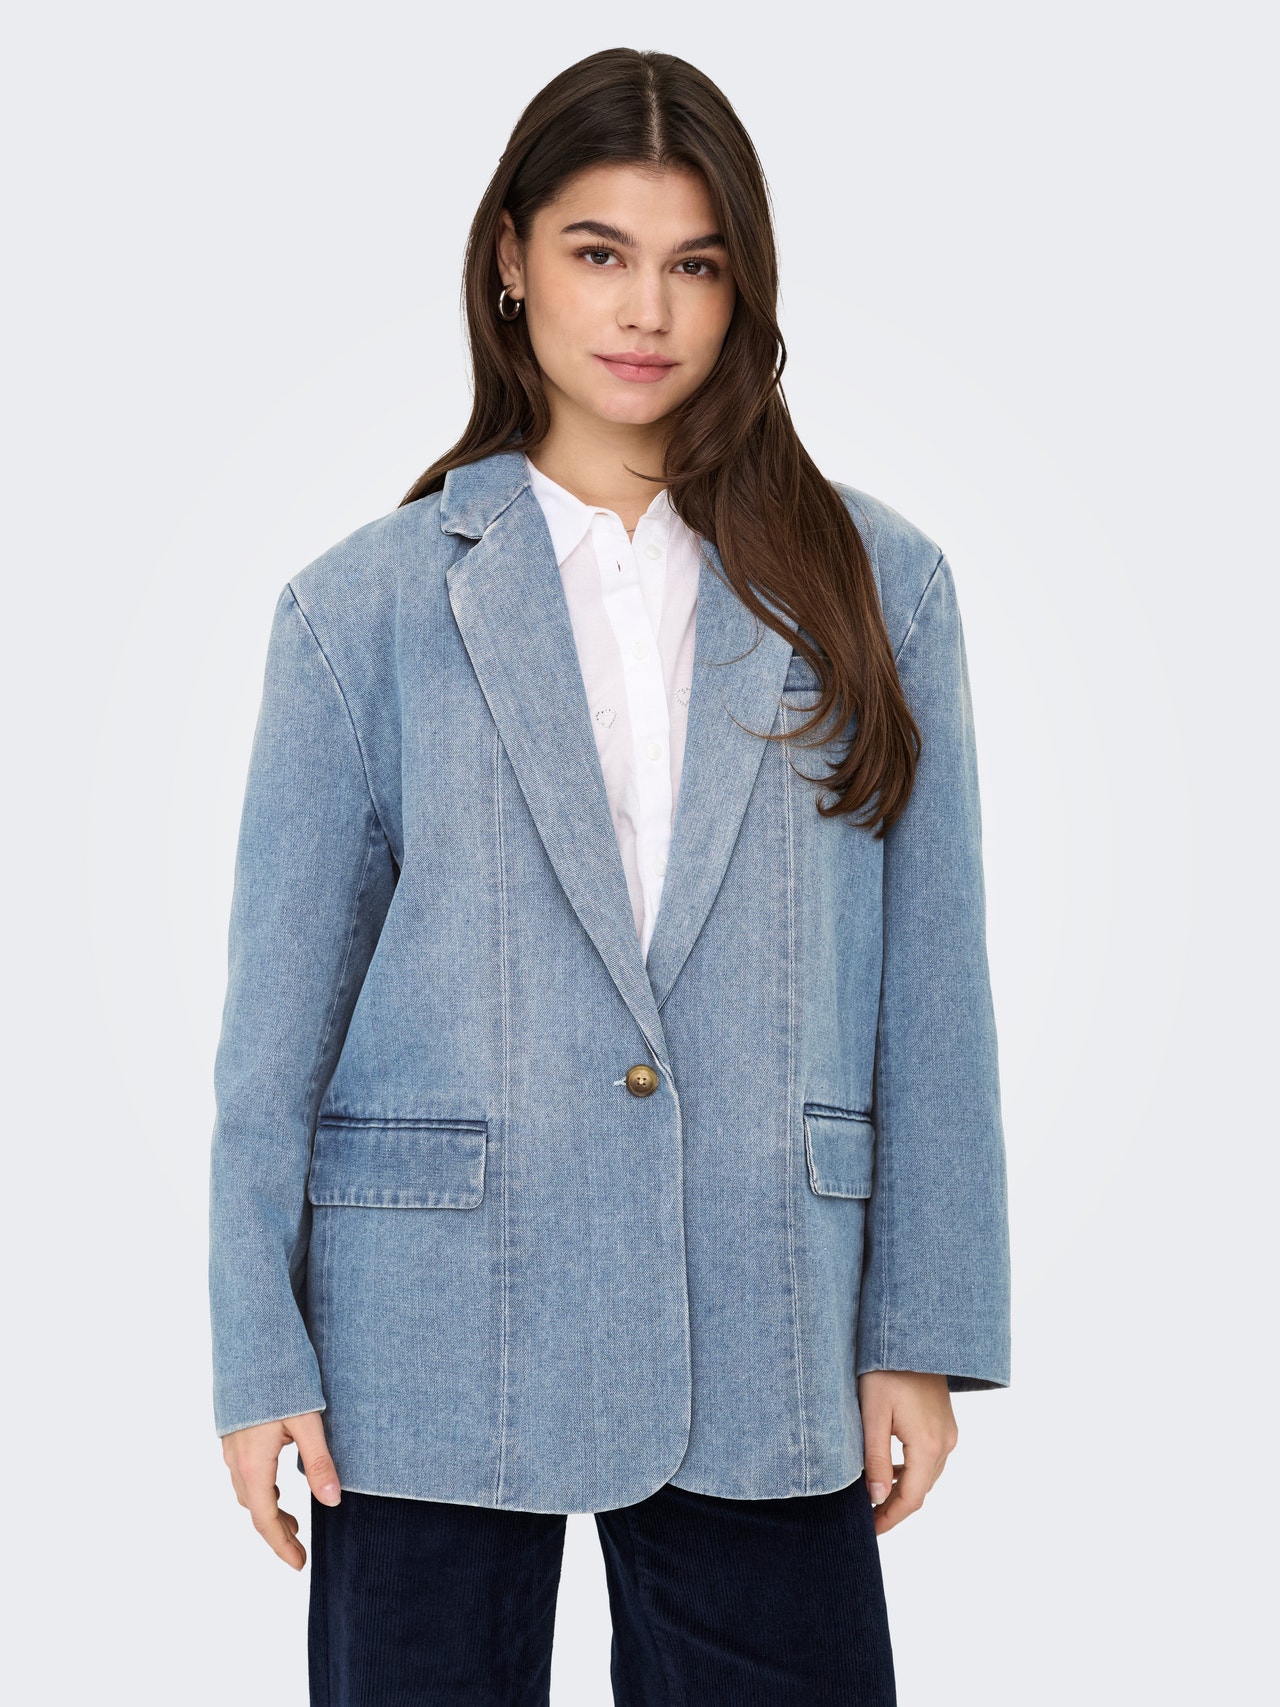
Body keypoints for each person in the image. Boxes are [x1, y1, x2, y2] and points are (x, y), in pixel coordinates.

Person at [209, 46, 1010, 1707]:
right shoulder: (363, 609)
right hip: (427, 1323)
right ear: (511, 259)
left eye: (695, 263)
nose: (647, 310)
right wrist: (255, 1344)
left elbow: (935, 1001)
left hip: (769, 1308)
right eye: (599, 252)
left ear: (744, 288)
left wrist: (919, 1332)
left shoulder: (879, 589)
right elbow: (273, 1026)